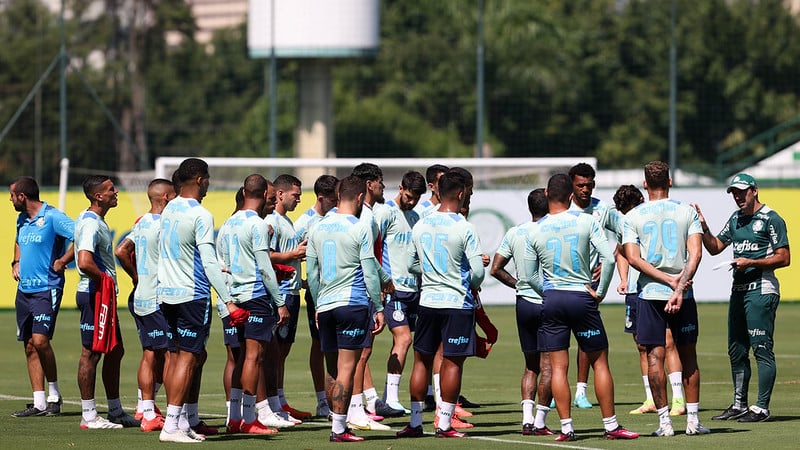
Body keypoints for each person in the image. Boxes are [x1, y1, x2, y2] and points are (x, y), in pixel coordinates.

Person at [525, 173, 636, 442]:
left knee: (558, 368)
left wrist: (547, 292)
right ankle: (611, 426)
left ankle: (566, 428)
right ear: (571, 196)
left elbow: (528, 276)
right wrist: (599, 292)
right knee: (599, 361)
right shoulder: (586, 220)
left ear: (547, 194)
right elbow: (608, 261)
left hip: (552, 301)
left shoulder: (535, 229)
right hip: (581, 299)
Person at [693, 173, 790, 423]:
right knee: (736, 350)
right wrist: (703, 226)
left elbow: (784, 258)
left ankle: (761, 407)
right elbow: (715, 247)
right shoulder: (735, 219)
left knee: (761, 348)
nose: (737, 197)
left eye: (742, 191)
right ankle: (739, 405)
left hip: (762, 288)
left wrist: (752, 262)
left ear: (754, 191)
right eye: (734, 193)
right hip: (738, 290)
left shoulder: (771, 218)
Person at [157, 158, 240, 443]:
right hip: (191, 294)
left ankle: (179, 422)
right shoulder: (200, 214)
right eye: (207, 179)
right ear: (200, 180)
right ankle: (171, 427)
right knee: (188, 359)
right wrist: (228, 300)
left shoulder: (168, 209)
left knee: (179, 357)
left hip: (167, 293)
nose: (208, 184)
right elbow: (206, 261)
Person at [622, 161, 708, 437]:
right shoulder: (687, 211)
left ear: (645, 184)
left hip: (649, 294)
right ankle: (693, 422)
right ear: (670, 181)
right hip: (684, 293)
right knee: (688, 356)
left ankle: (664, 424)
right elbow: (695, 254)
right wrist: (679, 286)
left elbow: (633, 258)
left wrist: (666, 281)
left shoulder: (633, 216)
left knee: (655, 357)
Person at [397, 169, 484, 439]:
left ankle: (414, 422)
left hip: (427, 301)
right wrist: (466, 278)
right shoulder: (464, 226)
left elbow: (411, 264)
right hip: (457, 302)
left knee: (421, 359)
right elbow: (478, 271)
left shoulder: (421, 224)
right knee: (452, 362)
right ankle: (444, 424)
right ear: (460, 194)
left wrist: (431, 272)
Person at [306, 175, 386, 443]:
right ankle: (339, 428)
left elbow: (314, 273)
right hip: (351, 303)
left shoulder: (317, 227)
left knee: (331, 369)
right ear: (361, 197)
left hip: (326, 305)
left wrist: (317, 305)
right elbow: (370, 271)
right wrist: (378, 306)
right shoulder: (360, 227)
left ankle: (336, 422)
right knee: (347, 369)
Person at [216, 174, 289, 435]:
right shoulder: (257, 225)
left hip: (231, 299)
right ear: (262, 195)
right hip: (255, 296)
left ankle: (234, 417)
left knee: (236, 358)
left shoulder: (226, 224)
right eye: (270, 196)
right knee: (253, 356)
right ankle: (248, 418)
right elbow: (265, 268)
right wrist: (280, 302)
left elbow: (222, 264)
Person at [74, 175, 138, 429]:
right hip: (93, 294)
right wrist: (106, 281)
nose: (116, 192)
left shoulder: (90, 220)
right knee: (90, 353)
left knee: (115, 350)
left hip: (102, 296)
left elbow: (76, 249)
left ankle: (115, 410)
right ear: (98, 196)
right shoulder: (91, 224)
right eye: (111, 189)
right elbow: (84, 261)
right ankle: (89, 416)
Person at [114, 179, 176, 432]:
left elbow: (121, 251)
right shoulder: (165, 225)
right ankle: (173, 414)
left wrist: (136, 275)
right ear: (164, 198)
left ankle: (146, 408)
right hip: (158, 298)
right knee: (171, 355)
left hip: (141, 296)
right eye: (174, 196)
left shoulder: (141, 223)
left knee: (151, 353)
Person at [490, 188, 554, 436]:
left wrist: (520, 284)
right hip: (548, 303)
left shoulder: (515, 232)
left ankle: (526, 420)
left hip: (524, 303)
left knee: (531, 366)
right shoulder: (551, 230)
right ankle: (539, 421)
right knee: (549, 366)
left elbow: (495, 269)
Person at [10, 176, 73, 418]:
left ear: (22, 197)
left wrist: (63, 260)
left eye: (12, 196)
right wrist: (16, 261)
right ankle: (39, 403)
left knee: (40, 341)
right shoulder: (21, 219)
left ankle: (55, 396)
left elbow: (82, 236)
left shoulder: (53, 217)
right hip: (24, 290)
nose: (10, 200)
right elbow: (18, 241)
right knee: (28, 345)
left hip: (47, 288)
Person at [348, 162, 401, 428]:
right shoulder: (367, 217)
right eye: (380, 181)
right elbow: (366, 259)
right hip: (364, 291)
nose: (383, 186)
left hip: (355, 290)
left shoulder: (357, 215)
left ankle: (358, 406)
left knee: (356, 354)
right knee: (361, 354)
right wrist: (383, 283)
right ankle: (357, 411)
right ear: (369, 185)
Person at [374, 171, 426, 413]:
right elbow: (373, 248)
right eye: (409, 195)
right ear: (401, 188)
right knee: (403, 339)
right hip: (393, 290)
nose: (412, 201)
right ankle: (390, 399)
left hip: (413, 289)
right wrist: (380, 283)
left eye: (416, 198)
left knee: (409, 342)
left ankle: (387, 397)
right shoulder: (385, 212)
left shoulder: (416, 216)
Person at [265, 174, 311, 421]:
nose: (298, 200)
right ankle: (271, 404)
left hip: (291, 291)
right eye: (295, 195)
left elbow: (287, 257)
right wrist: (294, 253)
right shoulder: (272, 221)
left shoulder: (287, 221)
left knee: (282, 352)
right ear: (280, 194)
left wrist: (297, 261)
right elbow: (268, 256)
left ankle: (279, 401)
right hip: (279, 294)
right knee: (272, 352)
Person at [294, 174, 339, 418]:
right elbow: (287, 254)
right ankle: (323, 401)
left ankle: (341, 402)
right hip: (317, 294)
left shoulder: (339, 219)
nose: (338, 203)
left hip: (339, 292)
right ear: (322, 198)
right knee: (320, 344)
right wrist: (301, 282)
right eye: (334, 199)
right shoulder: (304, 223)